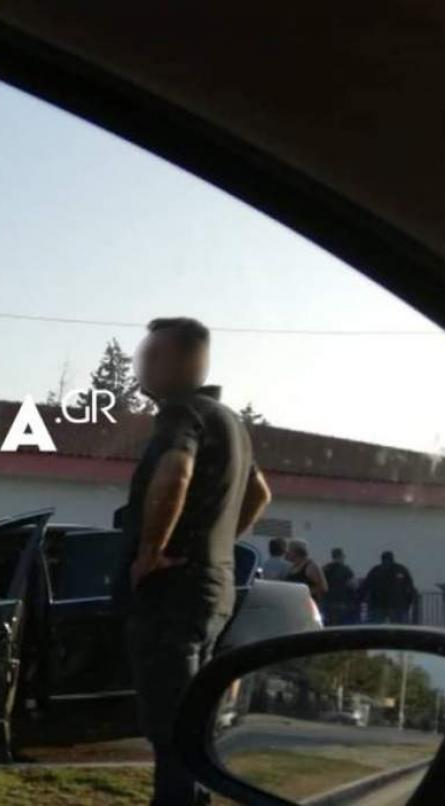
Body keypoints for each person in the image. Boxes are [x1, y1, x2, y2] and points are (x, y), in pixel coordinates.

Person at [115, 317, 272, 806]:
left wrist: (150, 552)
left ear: (186, 360)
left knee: (169, 723)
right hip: (211, 588)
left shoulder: (181, 413)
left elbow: (175, 472)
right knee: (190, 717)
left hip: (173, 589)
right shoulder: (228, 422)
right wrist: (216, 544)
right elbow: (260, 493)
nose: (141, 364)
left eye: (152, 355)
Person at [360, 551, 417, 624]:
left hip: (392, 606)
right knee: (395, 626)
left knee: (396, 625)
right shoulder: (377, 571)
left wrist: (408, 601)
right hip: (383, 605)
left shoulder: (399, 570)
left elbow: (409, 586)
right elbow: (367, 586)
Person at [322, 548, 358, 625]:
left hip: (327, 602)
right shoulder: (345, 569)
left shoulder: (325, 569)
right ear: (340, 557)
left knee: (328, 625)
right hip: (341, 602)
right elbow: (353, 585)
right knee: (340, 625)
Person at [284, 539, 328, 603]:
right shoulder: (293, 567)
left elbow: (323, 587)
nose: (287, 553)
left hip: (307, 604)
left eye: (289, 551)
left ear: (296, 552)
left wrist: (302, 592)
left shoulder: (310, 566)